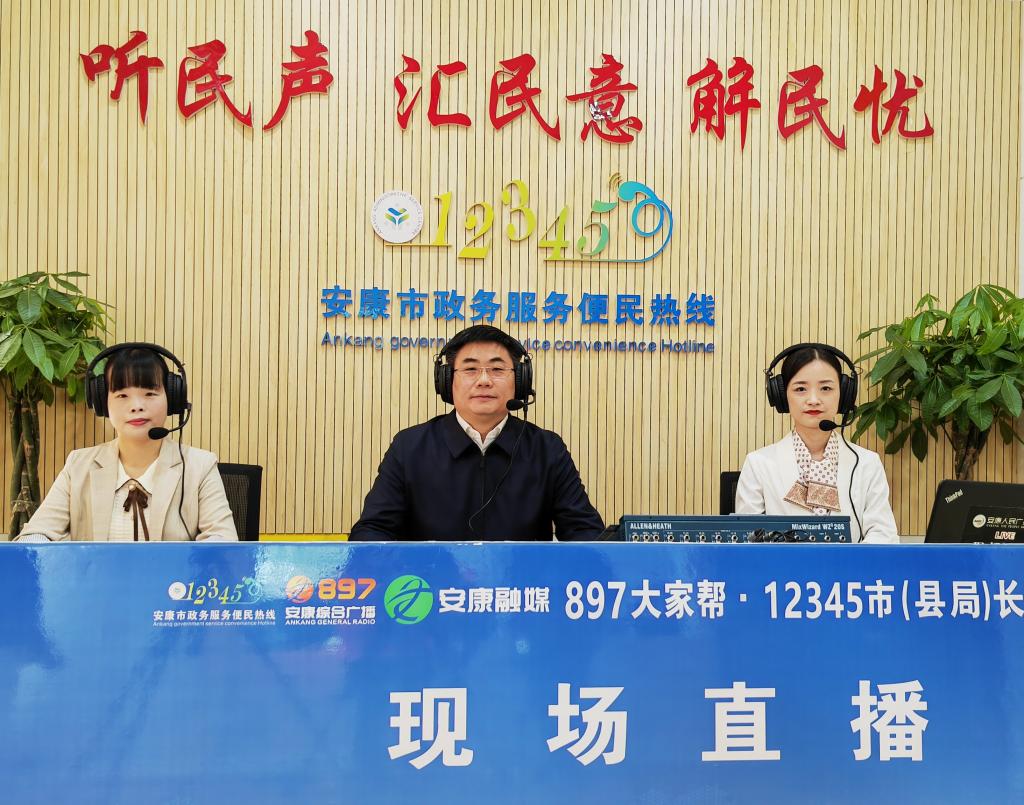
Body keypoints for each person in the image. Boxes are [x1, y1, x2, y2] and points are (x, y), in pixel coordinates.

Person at [350, 325, 604, 541]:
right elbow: (372, 530)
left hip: (520, 584)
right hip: (431, 583)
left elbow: (585, 531)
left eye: (497, 370)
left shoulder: (546, 448)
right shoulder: (410, 447)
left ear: (520, 381)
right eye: (470, 369)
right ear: (447, 381)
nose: (484, 380)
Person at [15, 343, 238, 542]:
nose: (136, 406)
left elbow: (223, 540)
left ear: (172, 398)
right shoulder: (78, 465)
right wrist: (40, 549)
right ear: (102, 403)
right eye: (122, 395)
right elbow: (36, 535)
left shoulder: (200, 466)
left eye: (150, 393)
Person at [735, 343, 899, 543]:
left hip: (850, 565)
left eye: (826, 388)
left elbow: (883, 535)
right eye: (800, 389)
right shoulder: (758, 464)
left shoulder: (867, 463)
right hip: (781, 565)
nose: (813, 399)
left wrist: (847, 562)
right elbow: (749, 542)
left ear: (845, 394)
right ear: (781, 395)